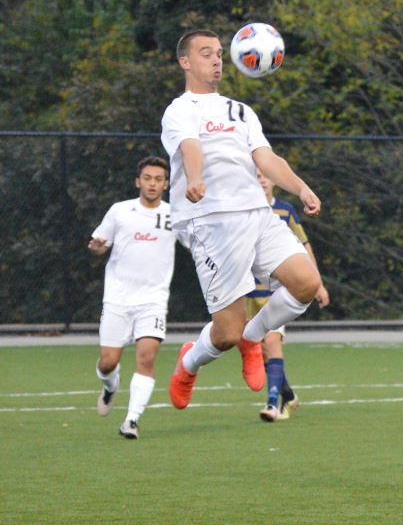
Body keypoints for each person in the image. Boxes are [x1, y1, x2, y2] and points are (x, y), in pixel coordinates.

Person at [160, 29, 322, 411]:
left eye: (218, 53)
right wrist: (195, 177)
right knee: (226, 333)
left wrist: (300, 188)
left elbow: (265, 158)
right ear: (185, 62)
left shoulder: (240, 110)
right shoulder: (180, 109)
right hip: (212, 222)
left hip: (257, 213)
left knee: (307, 284)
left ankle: (256, 336)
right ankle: (187, 364)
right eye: (205, 54)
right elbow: (191, 147)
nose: (216, 60)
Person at [89, 156, 177, 440]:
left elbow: (197, 242)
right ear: (138, 181)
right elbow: (100, 246)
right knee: (108, 362)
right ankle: (110, 386)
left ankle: (131, 420)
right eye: (147, 178)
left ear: (166, 184)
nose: (152, 184)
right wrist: (97, 247)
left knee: (147, 356)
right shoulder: (120, 211)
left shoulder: (175, 215)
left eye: (158, 179)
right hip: (117, 298)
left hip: (153, 299)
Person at [248, 169, 330, 422]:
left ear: (274, 180)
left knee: (271, 343)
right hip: (248, 291)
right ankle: (288, 395)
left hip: (277, 292)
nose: (261, 179)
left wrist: (317, 284)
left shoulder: (285, 211)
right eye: (256, 175)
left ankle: (273, 404)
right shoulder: (243, 211)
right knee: (258, 349)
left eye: (265, 175)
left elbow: (304, 247)